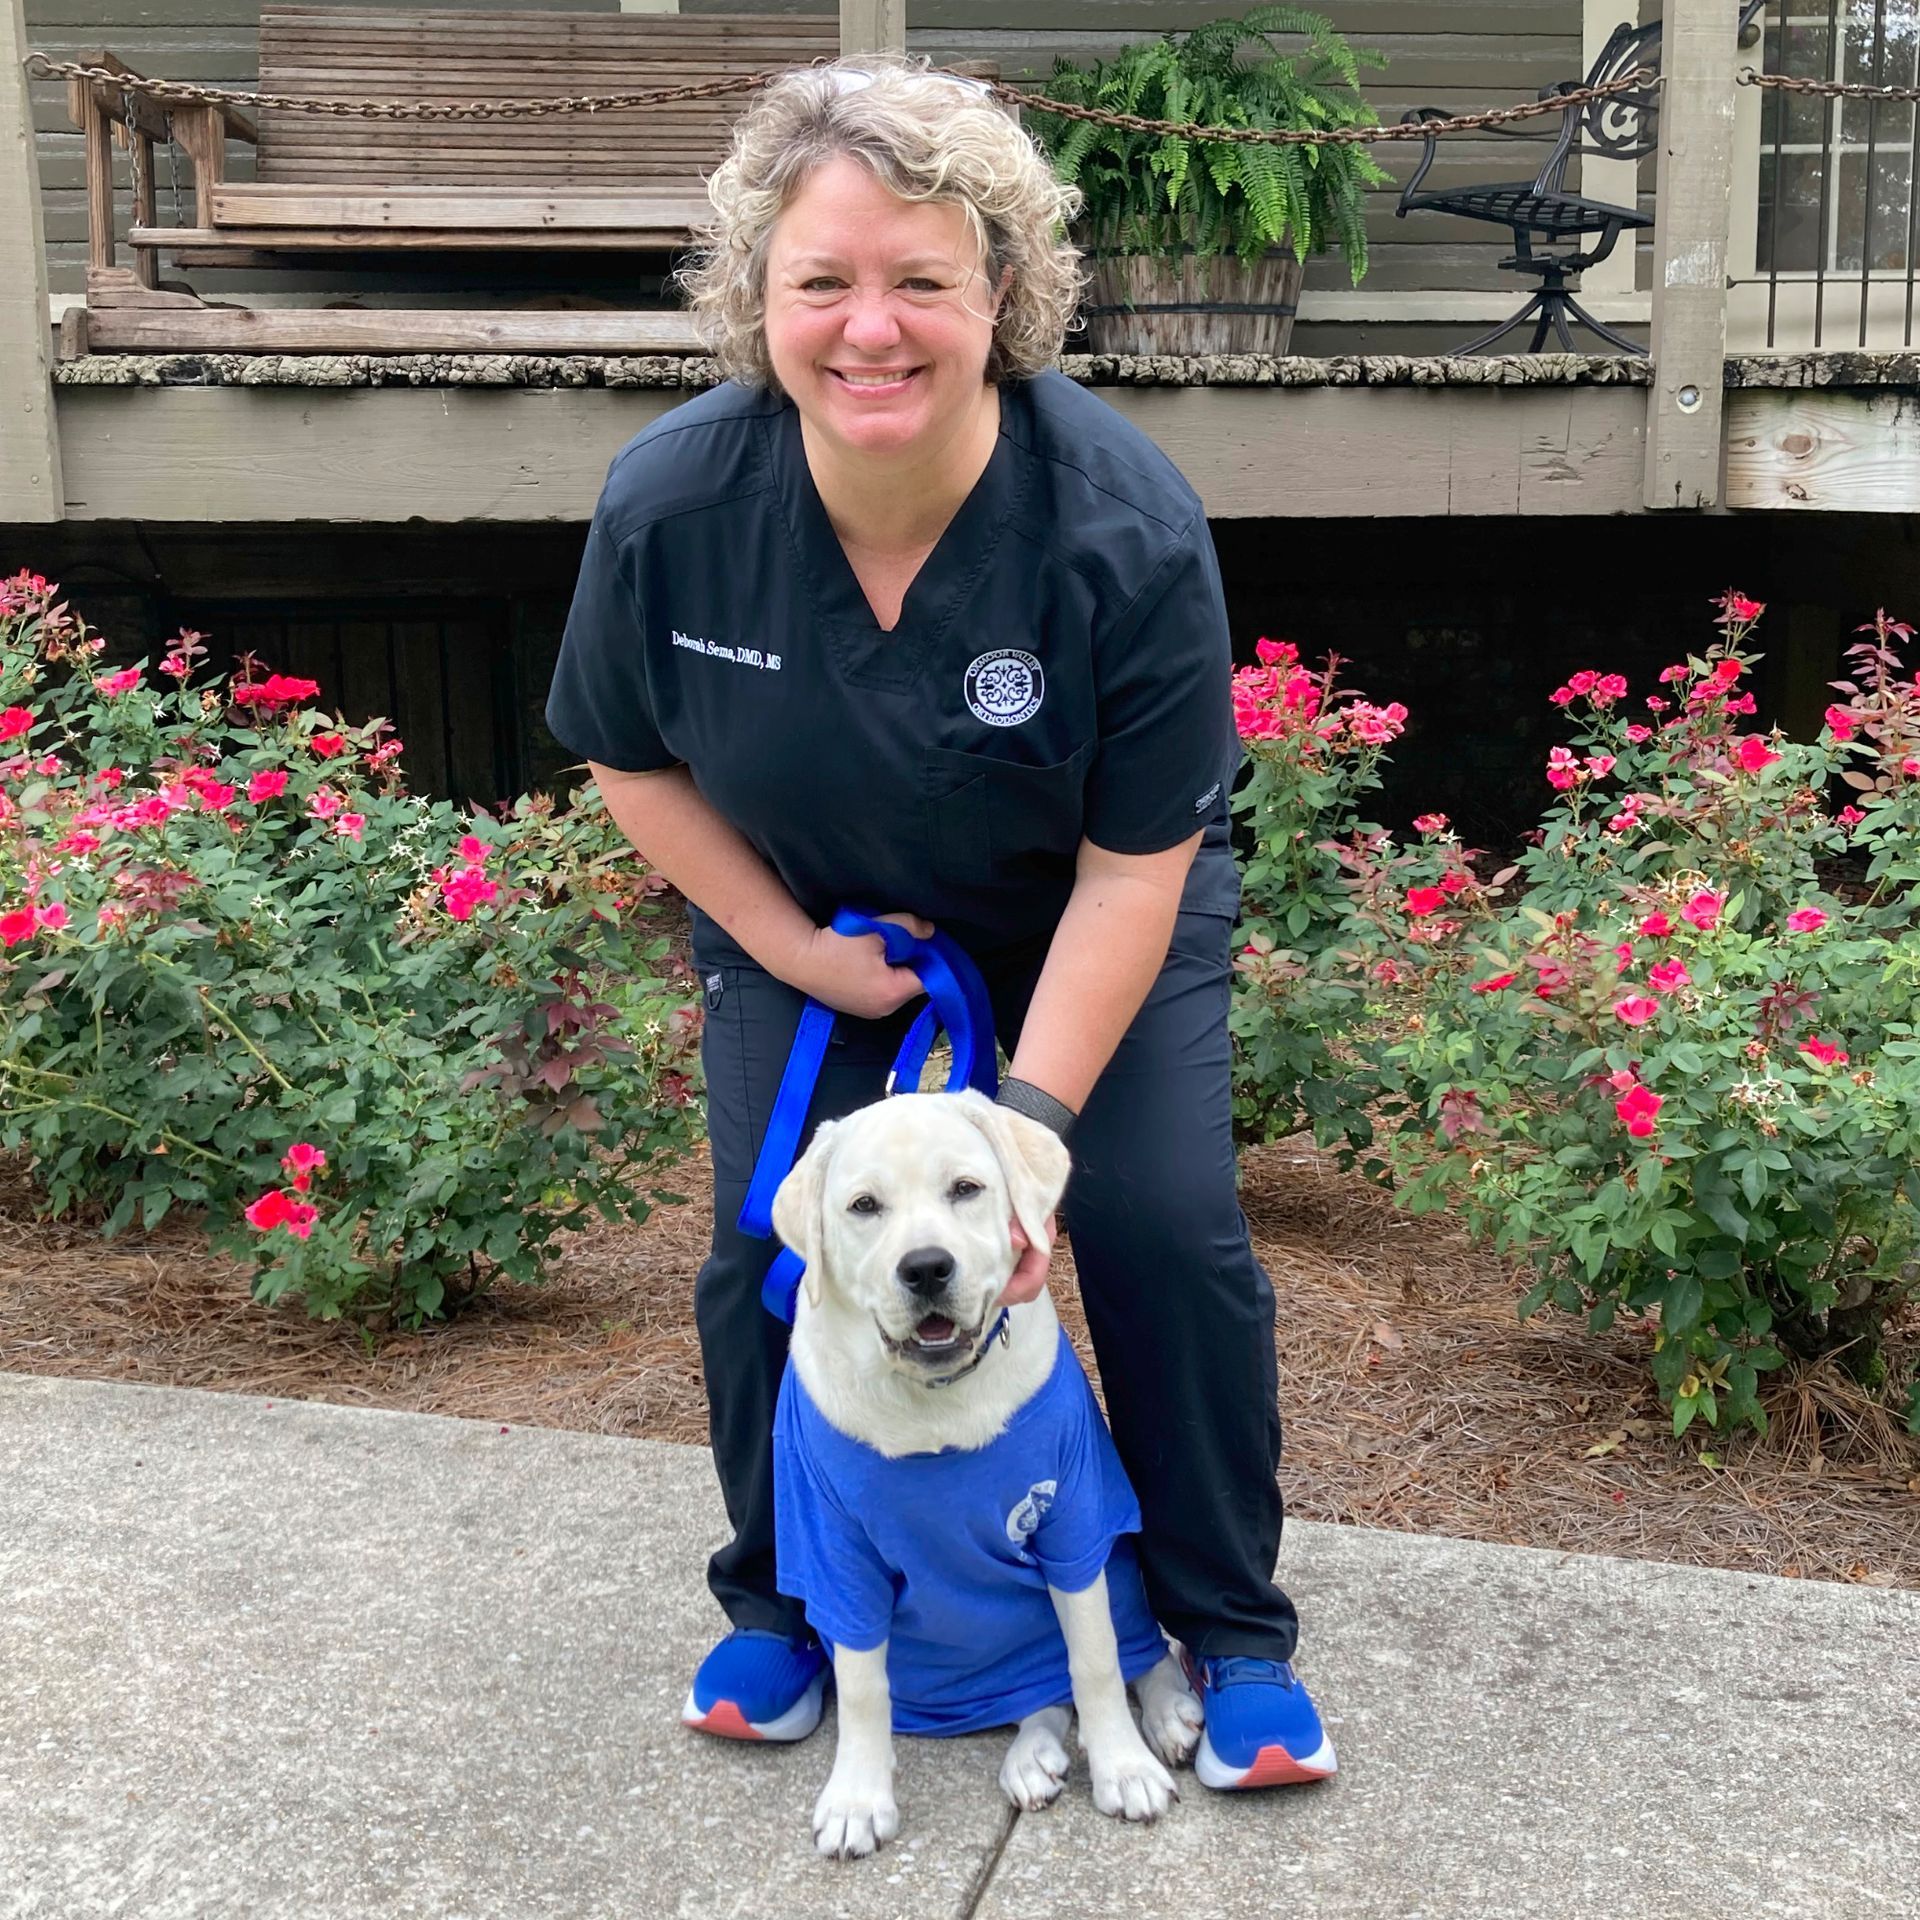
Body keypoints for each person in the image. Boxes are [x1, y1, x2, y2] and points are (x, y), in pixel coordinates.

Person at [544, 57, 1334, 1792]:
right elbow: (627, 760)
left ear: (1005, 294)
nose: (871, 329)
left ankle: (1233, 1632)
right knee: (771, 1242)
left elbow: (1140, 869)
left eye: (922, 279)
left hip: (1090, 913)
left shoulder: (1121, 524)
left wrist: (1028, 1139)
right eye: (822, 280)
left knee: (1162, 1231)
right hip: (814, 925)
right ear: (759, 299)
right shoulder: (674, 507)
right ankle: (780, 1606)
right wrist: (799, 950)